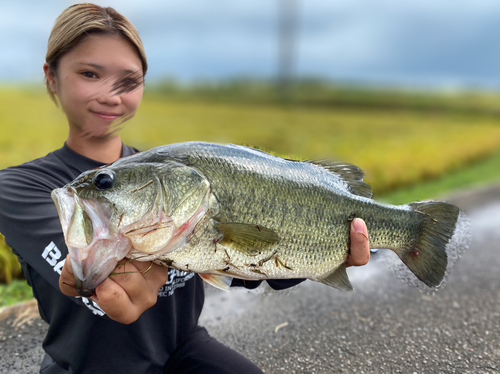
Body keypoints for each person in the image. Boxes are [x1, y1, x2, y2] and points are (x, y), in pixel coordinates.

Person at [0, 4, 371, 373]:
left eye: (128, 81)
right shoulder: (21, 188)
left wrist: (317, 248)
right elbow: (85, 268)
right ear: (52, 77)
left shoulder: (168, 176)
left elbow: (239, 264)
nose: (111, 95)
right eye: (90, 74)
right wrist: (95, 277)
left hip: (183, 347)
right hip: (87, 364)